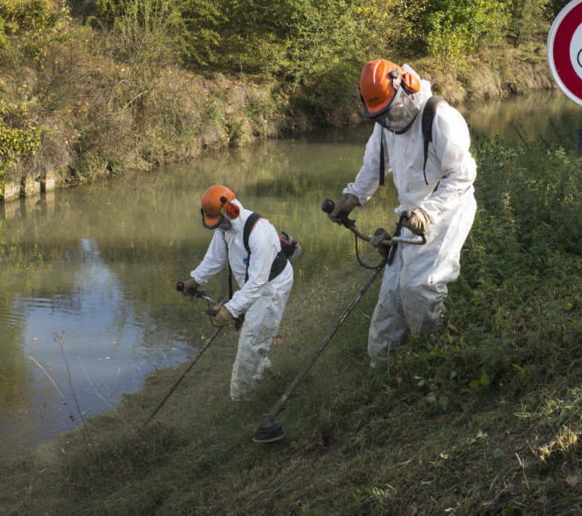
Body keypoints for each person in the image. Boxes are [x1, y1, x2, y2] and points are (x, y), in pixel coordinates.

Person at [328, 59, 477, 360]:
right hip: (411, 216)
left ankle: (434, 358)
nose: (389, 119)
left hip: (447, 210)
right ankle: (382, 371)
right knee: (390, 303)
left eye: (390, 110)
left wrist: (429, 213)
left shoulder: (439, 117)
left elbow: (463, 175)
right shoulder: (388, 123)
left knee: (420, 288)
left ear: (407, 89)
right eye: (381, 115)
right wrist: (352, 197)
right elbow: (375, 164)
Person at [180, 184, 293, 401]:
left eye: (219, 222)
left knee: (249, 345)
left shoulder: (259, 233)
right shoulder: (224, 228)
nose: (218, 227)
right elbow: (215, 257)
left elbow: (258, 284)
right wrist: (194, 280)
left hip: (271, 287)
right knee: (255, 338)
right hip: (253, 286)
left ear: (230, 210)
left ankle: (242, 400)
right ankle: (269, 380)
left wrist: (230, 310)